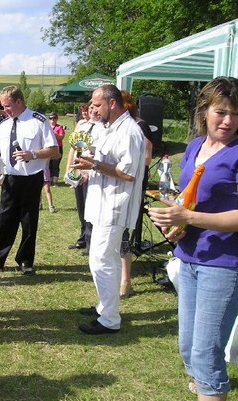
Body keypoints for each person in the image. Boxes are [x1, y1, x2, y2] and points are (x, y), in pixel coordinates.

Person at [148, 76, 238, 400]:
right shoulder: (195, 147)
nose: (228, 120)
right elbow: (188, 196)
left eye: (235, 114)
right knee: (188, 348)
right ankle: (204, 386)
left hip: (225, 264)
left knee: (206, 354)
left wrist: (189, 217)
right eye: (221, 112)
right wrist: (174, 219)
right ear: (205, 111)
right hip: (188, 258)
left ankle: (210, 388)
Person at [72, 84, 145, 335]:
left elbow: (128, 172)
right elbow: (103, 163)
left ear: (112, 103)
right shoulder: (108, 128)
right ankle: (105, 307)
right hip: (102, 203)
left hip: (115, 205)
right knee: (104, 259)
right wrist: (88, 168)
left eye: (98, 104)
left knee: (102, 260)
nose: (93, 109)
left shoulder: (129, 131)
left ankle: (110, 319)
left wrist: (95, 164)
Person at [0, 85, 59, 276]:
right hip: (10, 179)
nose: (4, 110)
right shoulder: (5, 124)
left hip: (32, 179)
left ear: (18, 101)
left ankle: (25, 260)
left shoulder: (38, 121)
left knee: (29, 221)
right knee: (4, 220)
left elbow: (54, 151)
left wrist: (33, 154)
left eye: (7, 106)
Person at [119, 90, 154, 298]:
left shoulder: (139, 126)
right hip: (117, 184)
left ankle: (125, 281)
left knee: (123, 233)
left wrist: (122, 167)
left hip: (132, 184)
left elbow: (147, 157)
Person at [66, 103, 103, 255]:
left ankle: (91, 242)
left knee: (91, 209)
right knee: (80, 206)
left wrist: (87, 171)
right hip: (78, 170)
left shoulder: (104, 128)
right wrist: (69, 170)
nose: (93, 111)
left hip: (91, 173)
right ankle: (83, 237)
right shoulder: (82, 125)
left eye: (95, 108)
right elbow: (73, 148)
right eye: (90, 109)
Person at [48, 112, 65, 187]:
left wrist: (53, 134)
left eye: (54, 118)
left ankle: (55, 181)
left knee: (55, 164)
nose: (52, 120)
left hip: (58, 148)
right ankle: (49, 180)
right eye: (50, 118)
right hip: (48, 148)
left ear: (57, 119)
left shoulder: (59, 127)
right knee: (48, 164)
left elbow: (61, 137)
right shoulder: (47, 127)